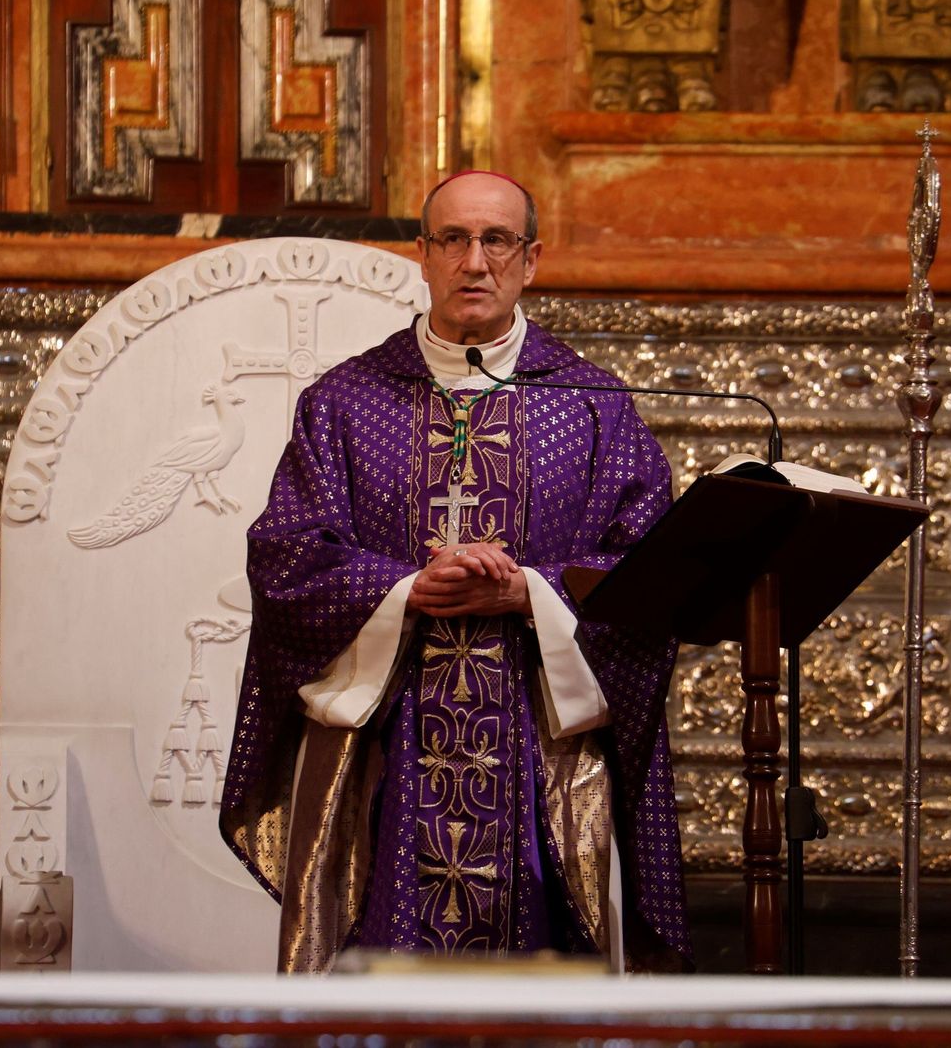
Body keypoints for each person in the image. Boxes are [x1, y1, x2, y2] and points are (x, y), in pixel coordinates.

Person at [218, 171, 691, 973]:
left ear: (531, 259)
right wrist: (406, 591)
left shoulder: (591, 405)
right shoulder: (345, 400)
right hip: (389, 756)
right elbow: (288, 559)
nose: (475, 262)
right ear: (424, 255)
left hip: (538, 754)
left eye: (497, 240)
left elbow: (649, 575)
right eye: (454, 240)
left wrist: (528, 591)